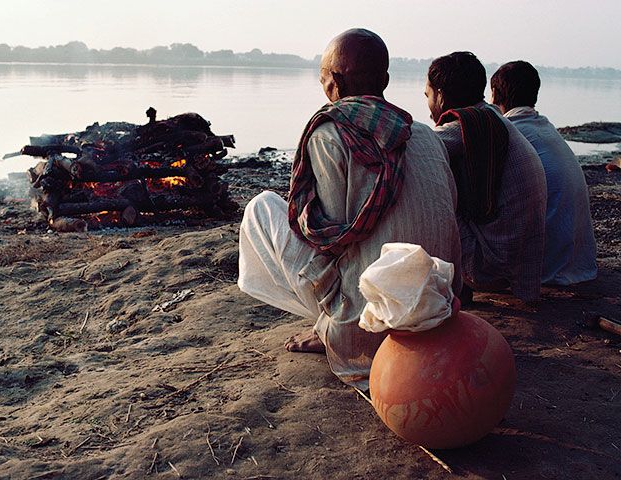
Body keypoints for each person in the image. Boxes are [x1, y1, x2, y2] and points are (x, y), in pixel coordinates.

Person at [238, 29, 462, 389]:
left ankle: (333, 328)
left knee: (262, 208)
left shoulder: (330, 133)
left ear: (334, 83)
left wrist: (333, 325)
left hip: (367, 329)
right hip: (440, 310)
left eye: (323, 76)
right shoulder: (425, 134)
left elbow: (330, 239)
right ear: (385, 80)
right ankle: (339, 323)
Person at [425, 52, 547, 303]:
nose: (428, 106)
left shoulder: (465, 126)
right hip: (519, 265)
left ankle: (452, 288)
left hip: (490, 266)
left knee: (422, 183)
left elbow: (415, 152)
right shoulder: (491, 118)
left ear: (440, 95)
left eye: (427, 96)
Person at [491, 61, 597, 285]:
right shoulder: (544, 128)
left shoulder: (511, 132)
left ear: (494, 94)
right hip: (579, 264)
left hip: (547, 269)